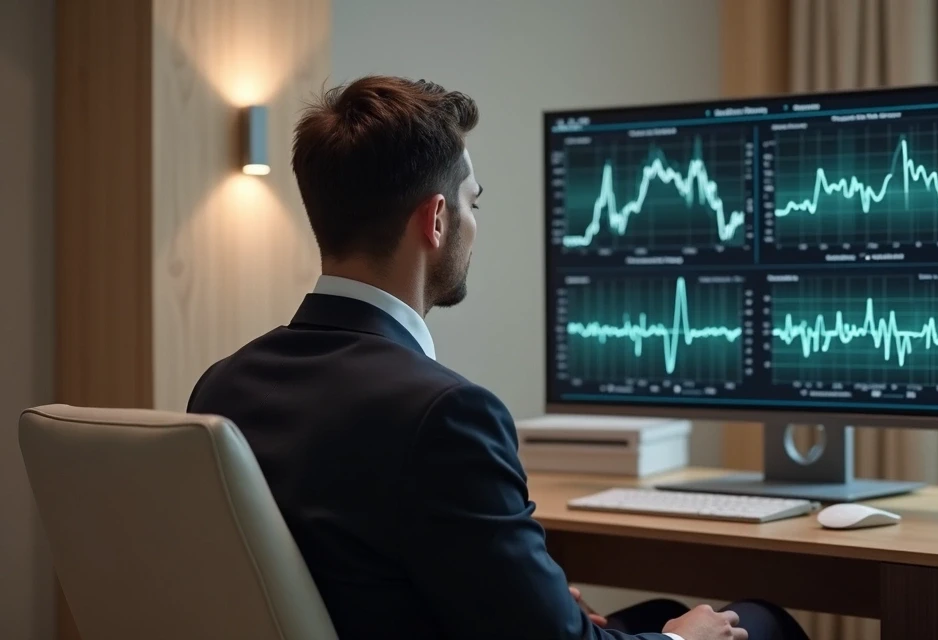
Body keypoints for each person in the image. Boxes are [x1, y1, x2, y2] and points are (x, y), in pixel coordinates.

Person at [187, 75, 809, 640]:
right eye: (472, 203)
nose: (474, 223)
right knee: (758, 622)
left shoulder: (222, 388)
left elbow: (357, 570)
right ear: (435, 220)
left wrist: (537, 601)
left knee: (652, 610)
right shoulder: (444, 414)